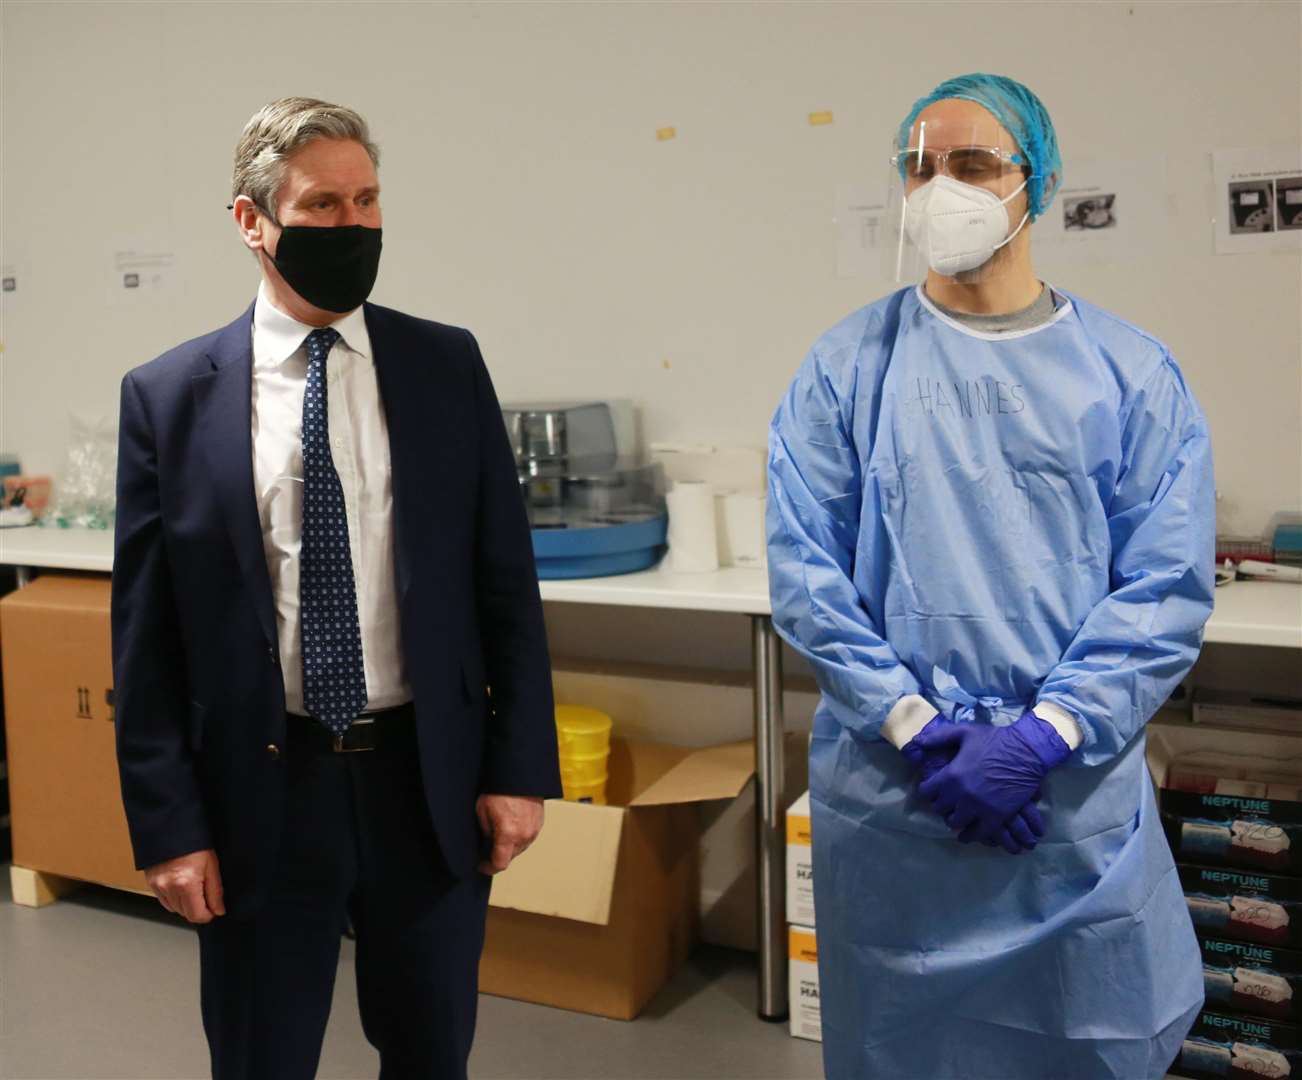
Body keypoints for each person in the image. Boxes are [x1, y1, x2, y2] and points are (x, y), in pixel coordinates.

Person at [767, 73, 1213, 1079]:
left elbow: (1163, 587)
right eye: (920, 169)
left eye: (972, 166)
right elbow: (808, 575)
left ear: (1038, 181)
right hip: (899, 797)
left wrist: (1044, 735)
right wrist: (919, 731)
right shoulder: (846, 371)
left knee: (1082, 1041)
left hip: (1066, 798)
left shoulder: (1130, 376)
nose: (941, 191)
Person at [111, 97, 561, 1080]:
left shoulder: (446, 364)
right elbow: (145, 642)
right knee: (263, 1056)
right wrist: (169, 828)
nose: (353, 226)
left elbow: (505, 587)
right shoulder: (168, 398)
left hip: (424, 780)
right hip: (265, 790)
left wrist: (519, 766)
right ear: (250, 220)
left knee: (431, 1050)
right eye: (322, 205)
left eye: (367, 201)